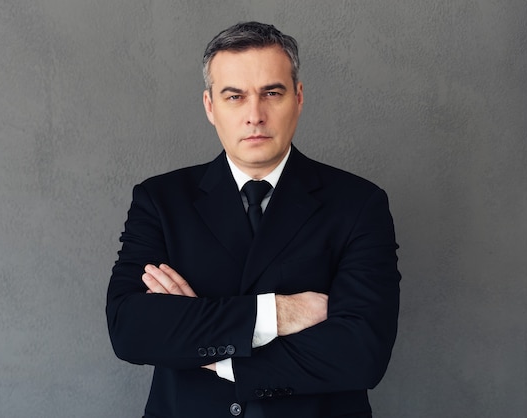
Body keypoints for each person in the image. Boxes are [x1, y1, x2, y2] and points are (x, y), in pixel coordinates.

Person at [106, 21, 401, 418]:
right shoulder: (160, 200)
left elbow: (360, 353)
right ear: (210, 106)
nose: (254, 115)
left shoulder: (359, 204)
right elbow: (130, 329)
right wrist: (277, 314)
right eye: (235, 97)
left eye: (272, 93)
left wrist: (209, 347)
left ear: (298, 97)